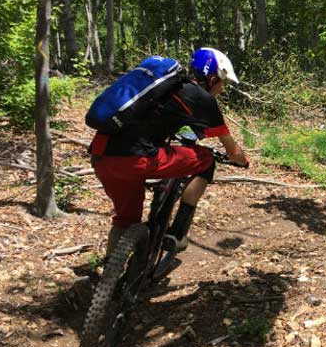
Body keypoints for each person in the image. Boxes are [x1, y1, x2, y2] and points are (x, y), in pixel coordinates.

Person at [89, 47, 249, 256]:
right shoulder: (201, 98)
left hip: (101, 155)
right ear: (211, 79)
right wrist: (243, 161)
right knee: (207, 161)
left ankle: (107, 281)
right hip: (137, 159)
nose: (222, 89)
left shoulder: (164, 87)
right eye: (221, 82)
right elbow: (233, 150)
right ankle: (177, 232)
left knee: (125, 220)